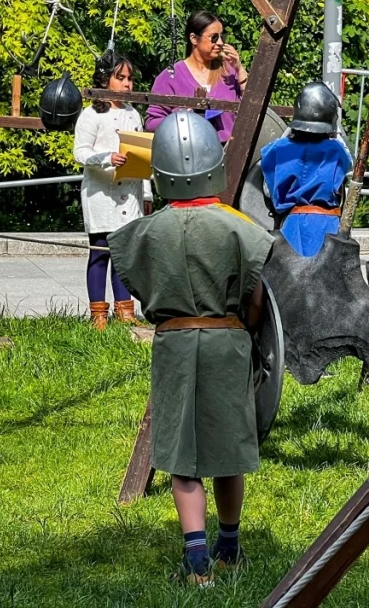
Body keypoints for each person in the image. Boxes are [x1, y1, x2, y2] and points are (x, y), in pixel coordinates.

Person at [108, 112, 274, 584]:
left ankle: (197, 563)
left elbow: (139, 288)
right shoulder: (240, 228)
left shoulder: (146, 231)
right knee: (227, 451)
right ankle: (229, 547)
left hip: (176, 344)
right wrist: (244, 325)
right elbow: (257, 301)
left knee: (184, 457)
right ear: (212, 165)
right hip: (228, 343)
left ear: (160, 172)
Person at [74, 53, 153, 329]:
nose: (127, 84)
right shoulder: (91, 114)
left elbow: (142, 156)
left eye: (130, 78)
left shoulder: (133, 115)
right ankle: (98, 313)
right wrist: (108, 158)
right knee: (100, 252)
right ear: (105, 79)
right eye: (121, 78)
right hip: (100, 195)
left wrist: (146, 195)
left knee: (124, 254)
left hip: (129, 195)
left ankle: (125, 310)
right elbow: (80, 153)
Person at [261, 81, 352, 257]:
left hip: (291, 226)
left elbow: (267, 191)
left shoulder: (277, 149)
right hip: (328, 226)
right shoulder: (337, 150)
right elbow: (344, 181)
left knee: (287, 280)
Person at [146, 10, 247, 142]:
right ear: (194, 38)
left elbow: (252, 109)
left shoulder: (229, 72)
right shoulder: (170, 77)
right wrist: (183, 119)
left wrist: (240, 69)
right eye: (214, 37)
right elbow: (152, 123)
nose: (221, 42)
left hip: (229, 154)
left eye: (223, 36)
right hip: (188, 155)